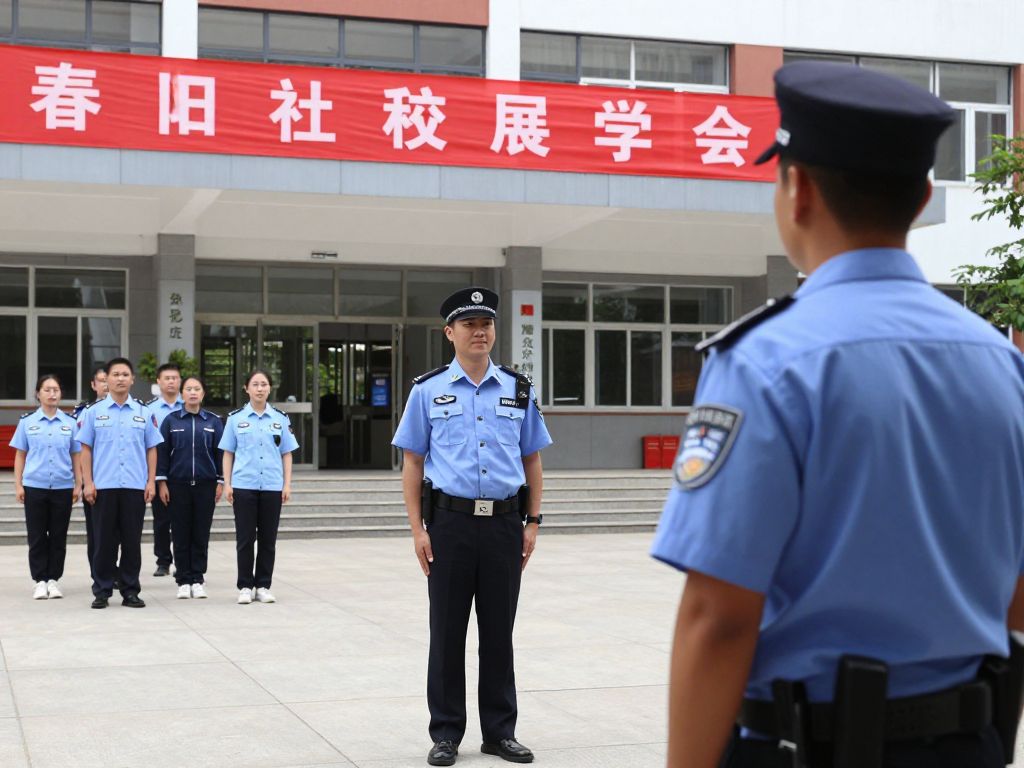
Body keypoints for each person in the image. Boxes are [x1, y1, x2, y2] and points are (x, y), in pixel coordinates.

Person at [650, 61, 1024, 768]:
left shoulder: (766, 362)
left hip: (808, 746)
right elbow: (1018, 602)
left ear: (798, 190)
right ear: (919, 199)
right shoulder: (1000, 363)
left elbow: (720, 619)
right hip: (968, 743)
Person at [392, 287, 552, 767]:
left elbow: (533, 459)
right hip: (450, 526)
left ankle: (500, 732)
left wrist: (533, 521)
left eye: (486, 323)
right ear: (450, 333)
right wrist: (418, 529)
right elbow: (412, 462)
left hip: (504, 525)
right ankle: (445, 734)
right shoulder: (427, 390)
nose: (479, 331)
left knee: (499, 632)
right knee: (447, 632)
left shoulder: (518, 389)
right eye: (469, 324)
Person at [76, 357, 163, 609]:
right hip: (103, 486)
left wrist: (151, 481)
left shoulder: (144, 413)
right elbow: (85, 449)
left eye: (125, 374)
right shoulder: (93, 413)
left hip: (135, 486)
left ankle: (130, 590)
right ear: (107, 379)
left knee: (131, 541)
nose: (120, 378)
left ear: (132, 379)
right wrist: (87, 483)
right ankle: (102, 590)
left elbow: (151, 450)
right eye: (115, 374)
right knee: (103, 541)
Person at [219, 369, 298, 605]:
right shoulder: (235, 419)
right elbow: (227, 453)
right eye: (255, 384)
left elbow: (287, 454)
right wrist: (228, 484)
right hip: (244, 485)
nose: (260, 388)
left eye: (264, 384)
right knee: (245, 538)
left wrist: (287, 484)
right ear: (246, 388)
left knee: (267, 539)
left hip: (272, 486)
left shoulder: (280, 419)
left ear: (270, 388)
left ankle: (263, 585)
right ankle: (244, 585)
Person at [10, 374, 81, 599]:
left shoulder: (70, 423)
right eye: (47, 389)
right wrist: (18, 485)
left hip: (62, 487)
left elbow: (76, 455)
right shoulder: (27, 422)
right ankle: (40, 580)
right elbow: (20, 455)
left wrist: (79, 484)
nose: (52, 394)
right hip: (34, 486)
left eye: (56, 390)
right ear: (38, 393)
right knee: (37, 536)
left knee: (59, 536)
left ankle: (54, 579)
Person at [156, 375, 223, 600]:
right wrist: (162, 482)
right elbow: (162, 453)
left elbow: (220, 453)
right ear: (182, 394)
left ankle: (198, 578)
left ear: (203, 394)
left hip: (206, 485)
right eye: (189, 389)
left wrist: (221, 481)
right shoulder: (171, 421)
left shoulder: (213, 421)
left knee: (201, 533)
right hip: (177, 485)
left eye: (197, 389)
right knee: (181, 532)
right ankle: (183, 580)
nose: (193, 392)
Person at [147, 362, 183, 577]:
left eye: (175, 378)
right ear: (158, 382)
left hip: (184, 471)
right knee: (161, 519)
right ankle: (163, 560)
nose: (171, 382)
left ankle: (182, 560)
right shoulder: (149, 410)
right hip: (158, 470)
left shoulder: (187, 405)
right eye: (166, 378)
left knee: (182, 519)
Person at [73, 364, 108, 579]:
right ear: (94, 385)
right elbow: (79, 450)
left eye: (108, 379)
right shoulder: (84, 413)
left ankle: (115, 572)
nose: (106, 384)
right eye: (102, 381)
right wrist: (84, 482)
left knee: (119, 532)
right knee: (96, 531)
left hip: (117, 480)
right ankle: (98, 573)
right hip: (93, 480)